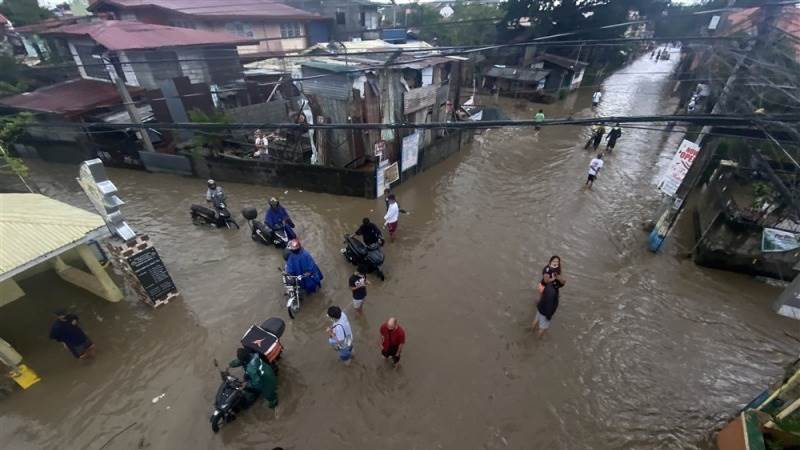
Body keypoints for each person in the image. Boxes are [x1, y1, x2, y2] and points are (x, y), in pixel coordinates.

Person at [532, 256, 565, 338]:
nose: (556, 263)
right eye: (554, 261)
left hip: (541, 305)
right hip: (544, 287)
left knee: (537, 317)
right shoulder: (547, 269)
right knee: (542, 327)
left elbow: (560, 279)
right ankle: (538, 340)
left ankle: (531, 330)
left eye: (557, 261)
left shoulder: (557, 269)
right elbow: (546, 281)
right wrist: (549, 315)